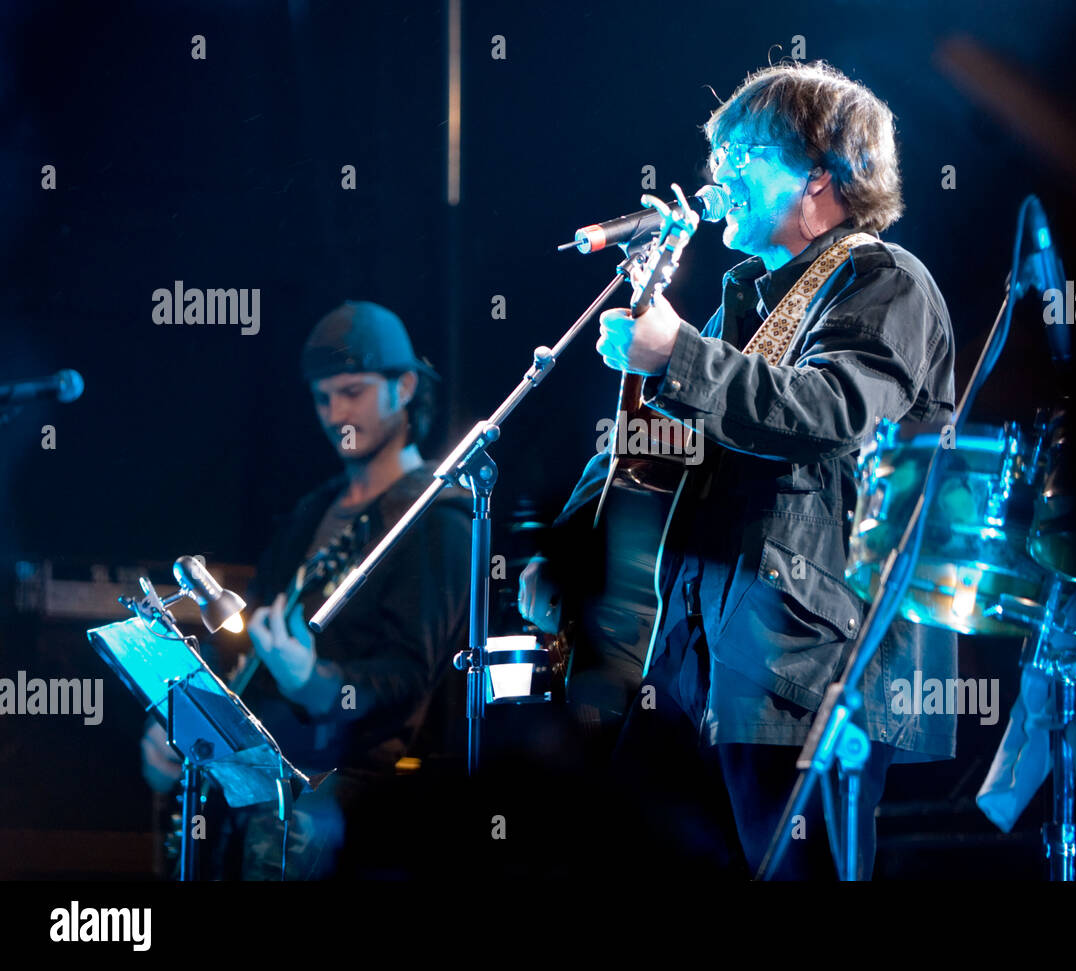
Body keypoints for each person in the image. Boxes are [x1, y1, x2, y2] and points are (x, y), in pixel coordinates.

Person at [520, 61, 959, 879]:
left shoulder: (883, 280)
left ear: (821, 175)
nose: (716, 178)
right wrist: (570, 542)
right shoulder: (749, 300)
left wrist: (679, 352)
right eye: (715, 158)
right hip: (695, 661)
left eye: (742, 155)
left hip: (811, 667)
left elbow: (828, 414)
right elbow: (653, 450)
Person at [142, 300, 472, 879]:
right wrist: (184, 726)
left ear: (406, 386)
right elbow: (243, 644)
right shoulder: (312, 512)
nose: (335, 413)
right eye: (323, 397)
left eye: (353, 391)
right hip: (263, 779)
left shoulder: (436, 518)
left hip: (353, 794)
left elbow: (408, 677)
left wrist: (313, 681)